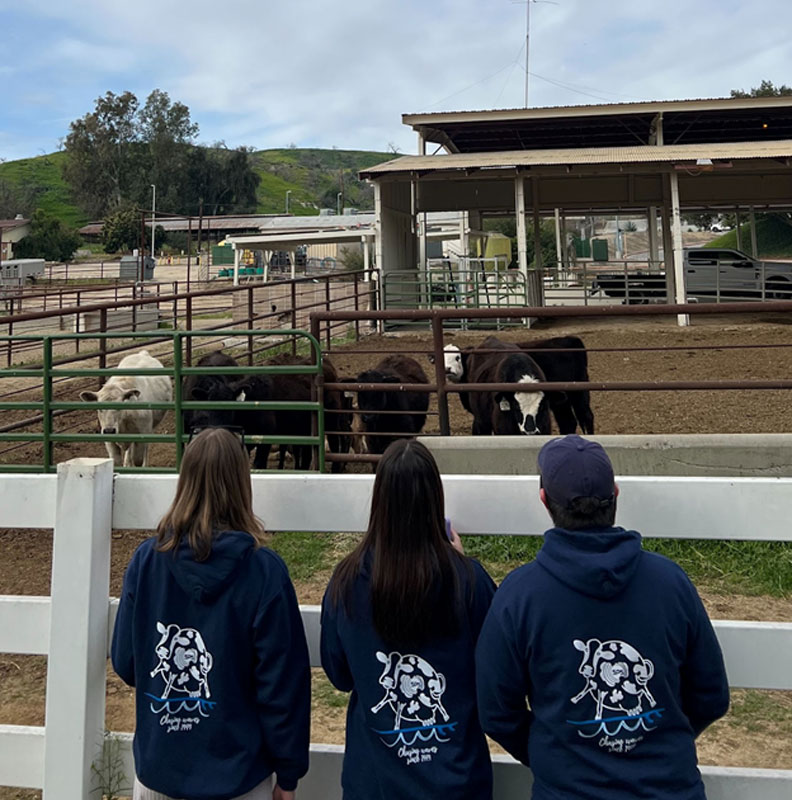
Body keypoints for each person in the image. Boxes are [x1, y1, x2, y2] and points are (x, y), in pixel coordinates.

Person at [475, 434, 730, 800]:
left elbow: (496, 711)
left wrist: (556, 757)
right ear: (615, 493)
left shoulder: (520, 595)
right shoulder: (671, 582)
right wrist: (656, 739)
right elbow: (711, 695)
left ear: (544, 500)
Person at [111, 427, 311, 800]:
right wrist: (289, 772)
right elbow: (283, 685)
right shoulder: (263, 572)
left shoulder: (146, 561)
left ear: (184, 481)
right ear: (241, 484)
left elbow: (126, 661)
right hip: (236, 776)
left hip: (160, 772)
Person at [320, 439, 497, 799]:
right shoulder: (469, 582)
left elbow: (338, 674)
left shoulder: (347, 581)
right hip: (455, 780)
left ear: (379, 502)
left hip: (375, 784)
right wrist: (460, 565)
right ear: (435, 498)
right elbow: (494, 672)